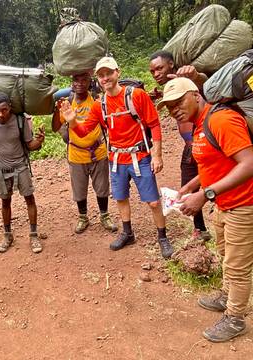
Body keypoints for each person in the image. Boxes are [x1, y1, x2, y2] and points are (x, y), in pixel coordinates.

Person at [158, 77, 253, 342]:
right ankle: (226, 296)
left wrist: (205, 194)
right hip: (223, 203)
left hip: (243, 204)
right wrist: (191, 185)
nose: (174, 109)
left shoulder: (221, 120)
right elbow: (214, 162)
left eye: (179, 102)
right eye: (169, 106)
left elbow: (249, 163)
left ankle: (235, 319)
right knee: (224, 254)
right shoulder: (200, 125)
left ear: (196, 95)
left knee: (237, 267)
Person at [61, 57, 174, 259]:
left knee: (154, 202)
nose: (105, 78)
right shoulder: (99, 105)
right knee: (121, 198)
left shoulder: (136, 96)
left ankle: (162, 237)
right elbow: (85, 131)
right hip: (116, 159)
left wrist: (157, 155)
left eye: (108, 73)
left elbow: (154, 124)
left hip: (140, 157)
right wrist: (72, 121)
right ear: (98, 79)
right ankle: (127, 233)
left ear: (117, 73)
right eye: (101, 75)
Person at [149, 50, 211, 241]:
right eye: (152, 71)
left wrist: (196, 76)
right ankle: (200, 229)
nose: (156, 73)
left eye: (159, 68)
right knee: (187, 186)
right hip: (190, 147)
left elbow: (204, 85)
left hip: (207, 142)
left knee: (214, 176)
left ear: (171, 64)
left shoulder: (187, 81)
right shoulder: (170, 88)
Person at [0, 92, 45, 253]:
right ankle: (7, 235)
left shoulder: (20, 121)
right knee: (5, 202)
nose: (1, 114)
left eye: (4, 110)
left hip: (21, 166)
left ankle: (33, 235)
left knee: (29, 198)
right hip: (0, 169)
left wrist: (39, 141)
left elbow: (29, 144)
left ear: (10, 107)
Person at [51, 72, 117, 234]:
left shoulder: (96, 100)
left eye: (84, 80)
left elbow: (108, 122)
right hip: (76, 153)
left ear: (90, 83)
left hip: (98, 151)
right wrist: (56, 110)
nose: (79, 83)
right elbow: (54, 127)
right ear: (72, 83)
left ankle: (104, 215)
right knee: (79, 189)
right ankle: (83, 217)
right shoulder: (67, 103)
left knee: (102, 187)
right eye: (76, 80)